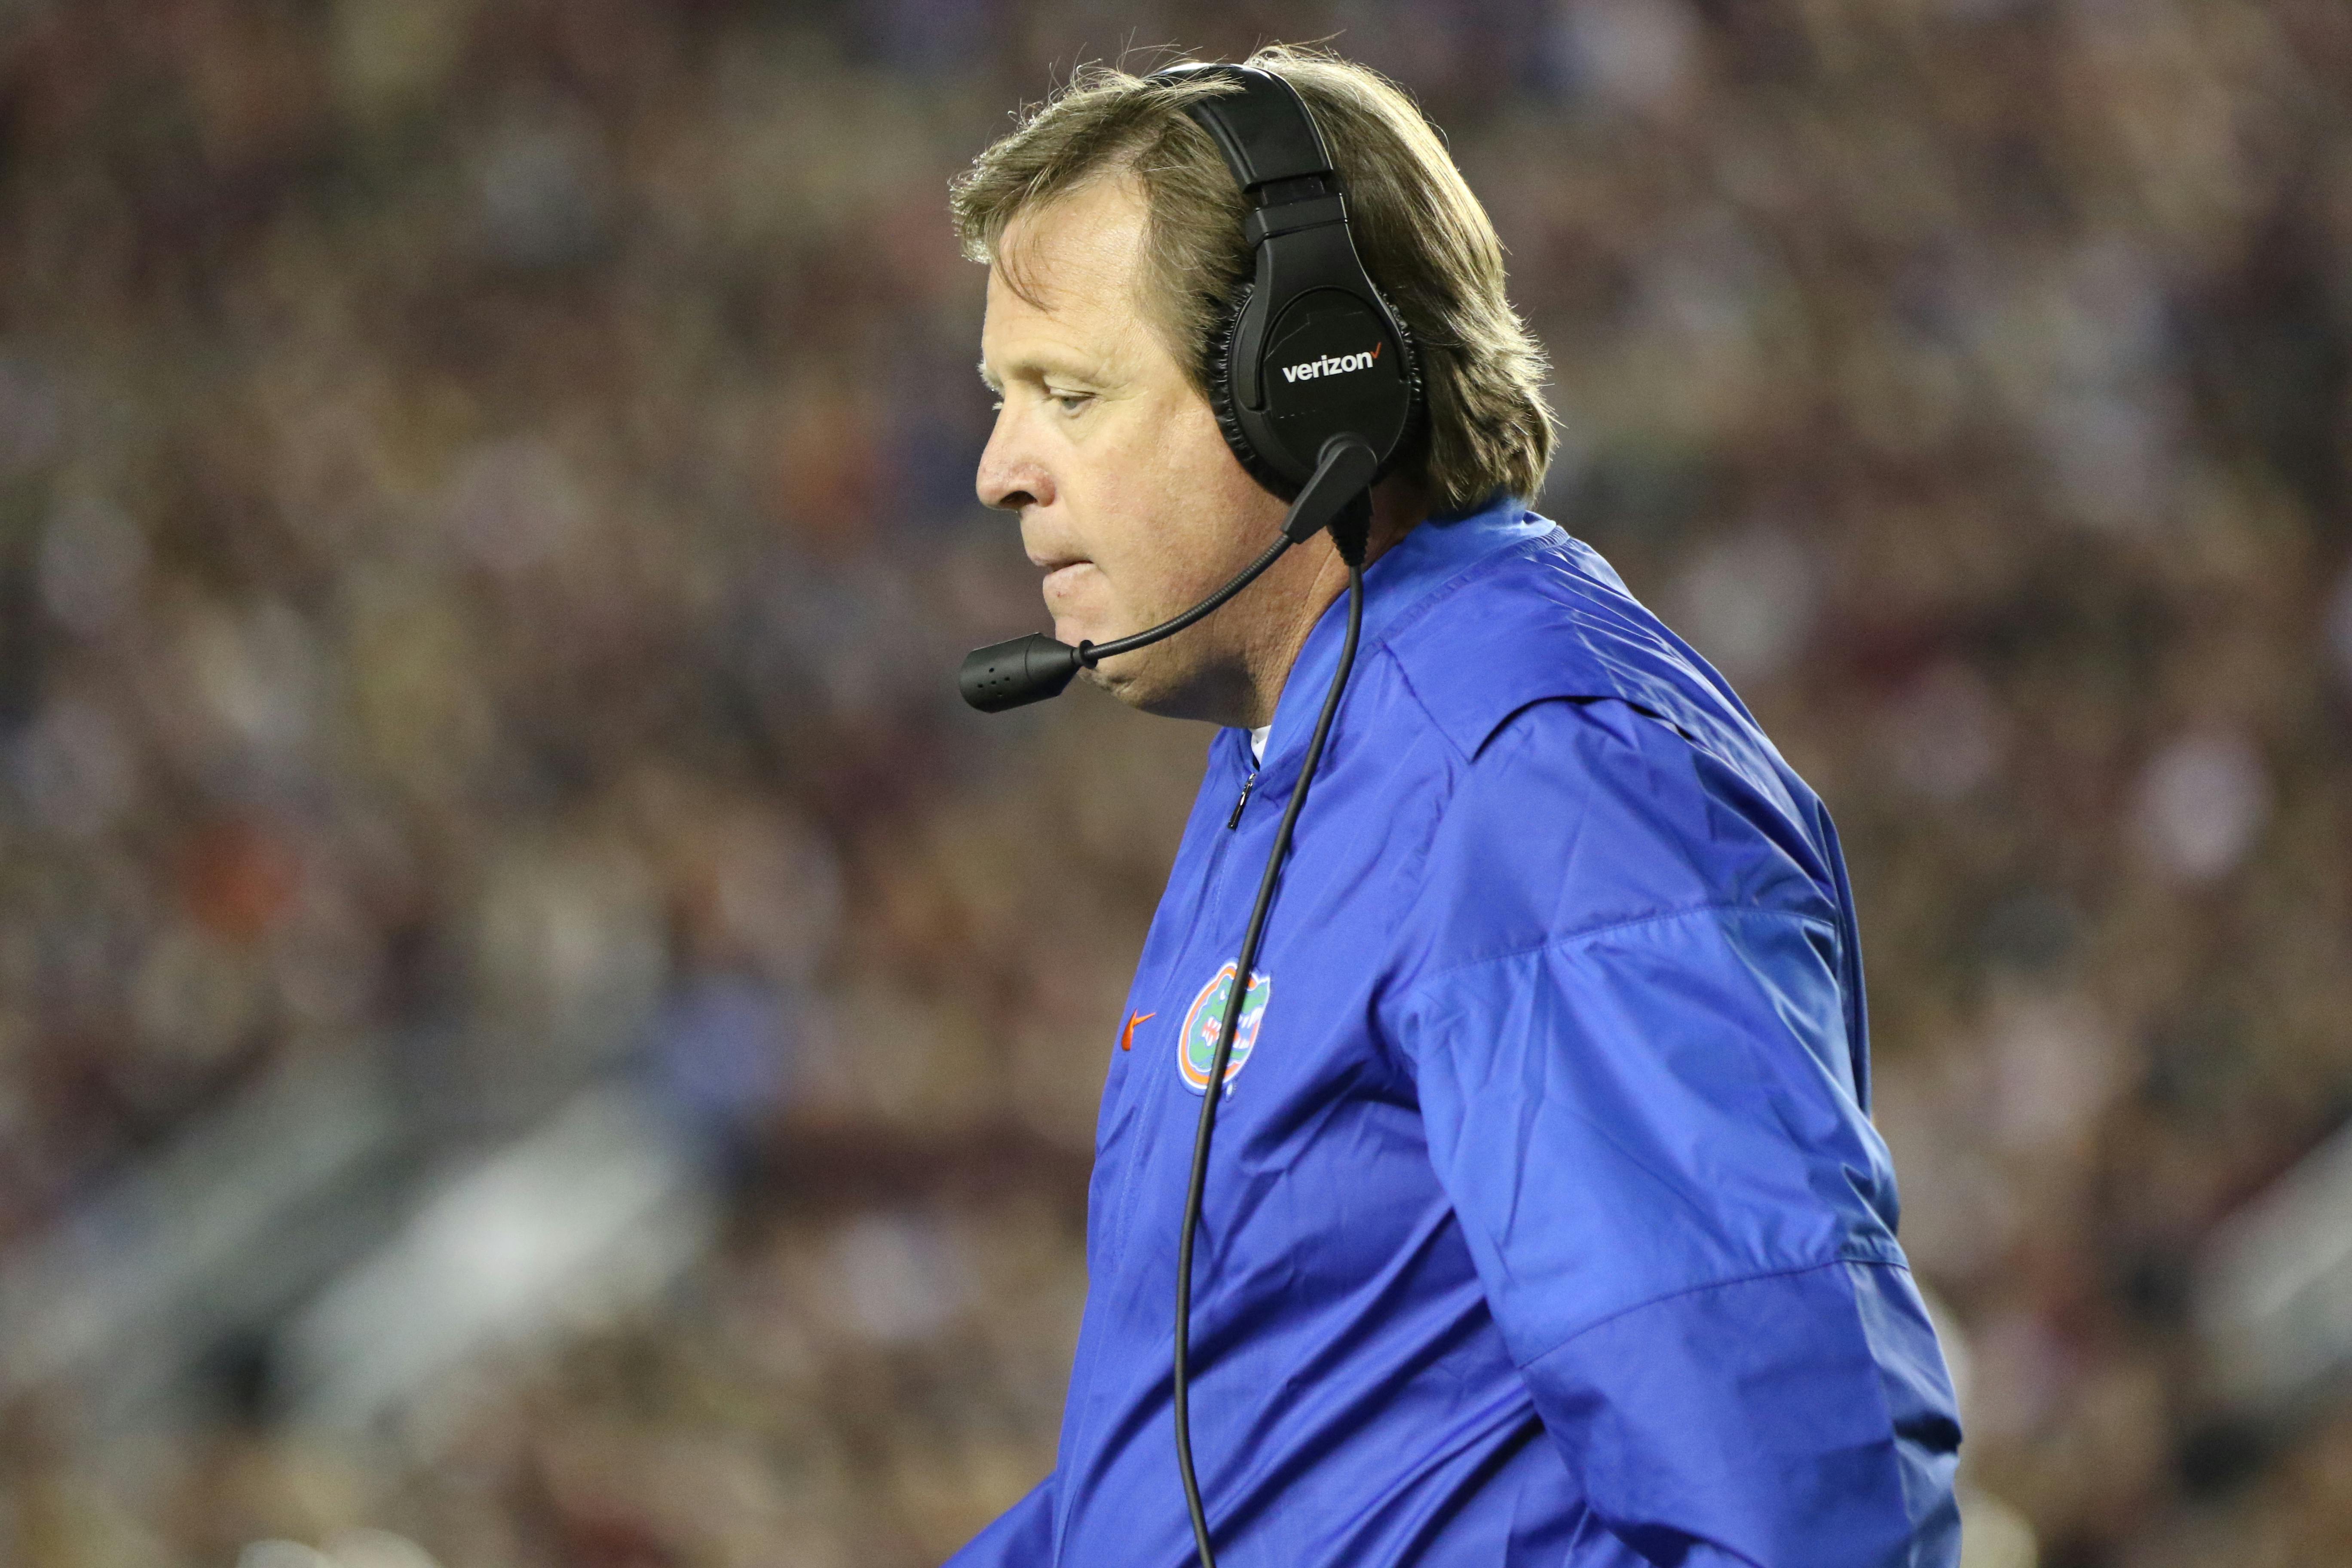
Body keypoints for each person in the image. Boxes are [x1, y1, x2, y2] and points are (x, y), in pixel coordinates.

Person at [948, 46, 1962, 1568]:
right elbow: (1228, 1474)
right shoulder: (1308, 750)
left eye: (1070, 394)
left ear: (1310, 384)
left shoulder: (1538, 781)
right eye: (1004, 398)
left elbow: (1790, 1498)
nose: (998, 470)